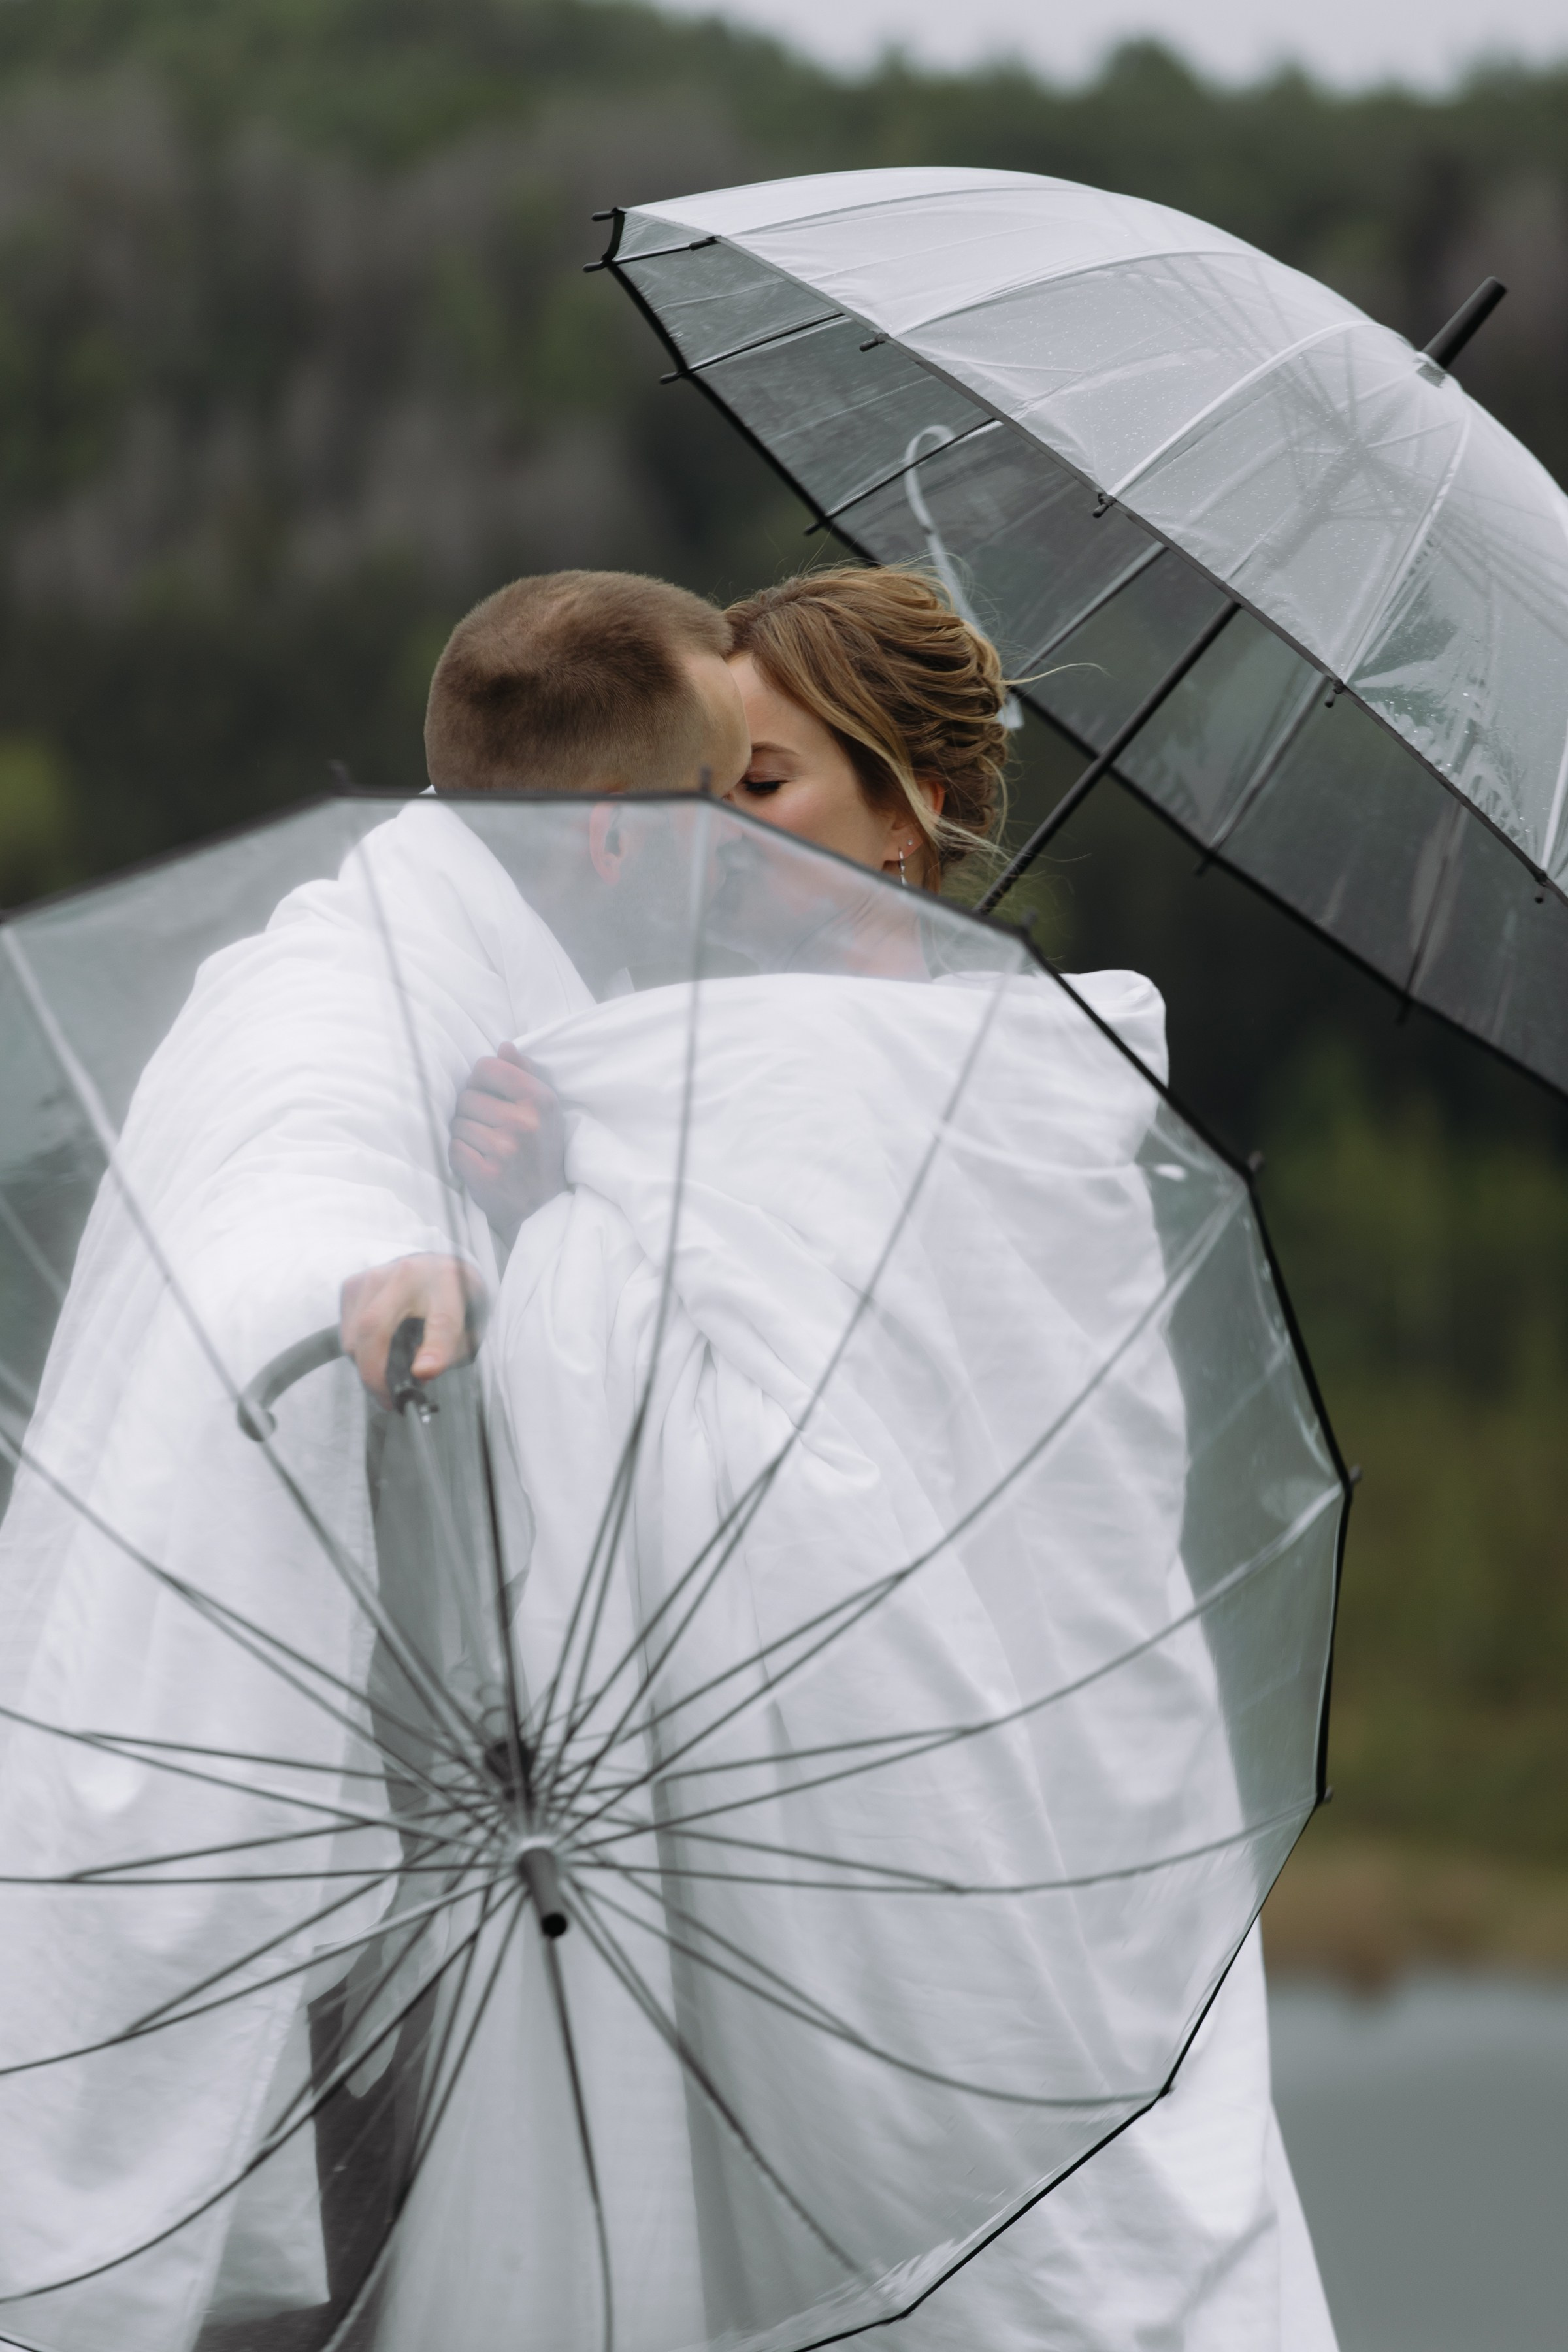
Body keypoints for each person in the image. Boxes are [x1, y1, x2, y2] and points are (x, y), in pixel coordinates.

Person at [440, 565, 1340, 2352]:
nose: (710, 834)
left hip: (1069, 1813)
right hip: (827, 1900)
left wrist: (567, 1236)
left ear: (912, 805)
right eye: (692, 793)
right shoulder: (658, 1088)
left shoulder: (1046, 1100)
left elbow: (1012, 1516)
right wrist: (560, 1209)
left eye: (757, 787)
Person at [0, 572, 750, 2352]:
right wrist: (392, 1271)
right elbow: (303, 1177)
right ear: (624, 841)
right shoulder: (332, 997)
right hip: (241, 1819)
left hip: (270, 1758)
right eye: (726, 803)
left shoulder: (378, 939)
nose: (747, 850)